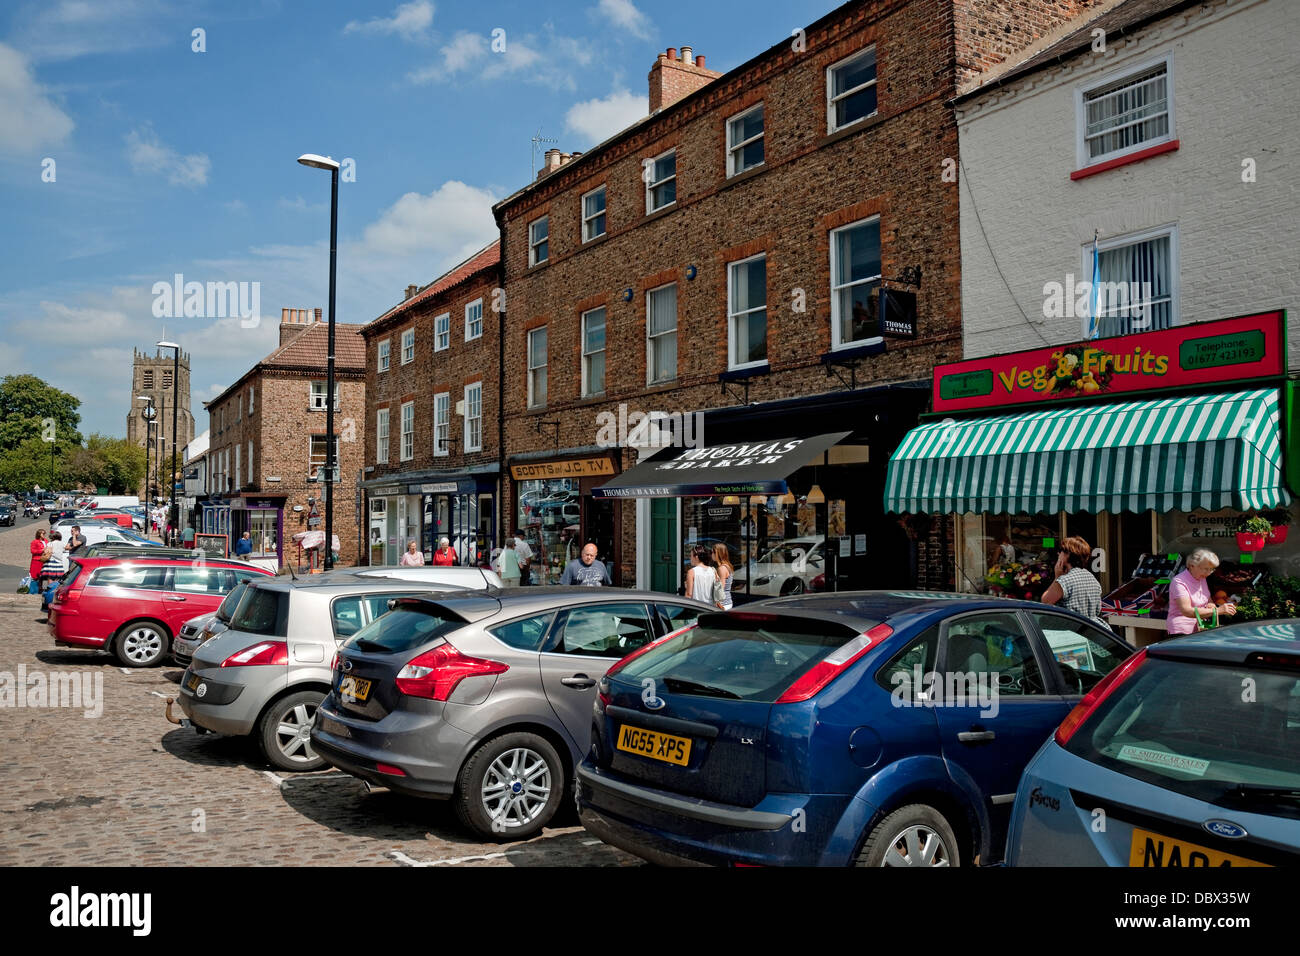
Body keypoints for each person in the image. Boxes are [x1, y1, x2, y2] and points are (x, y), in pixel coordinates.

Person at [1040, 536, 1108, 629]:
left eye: (1061, 551)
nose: (1058, 553)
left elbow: (1045, 601)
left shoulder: (1065, 580)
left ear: (1067, 554)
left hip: (1072, 630)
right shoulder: (1091, 578)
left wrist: (1057, 577)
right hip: (1091, 630)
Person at [1167, 548, 1235, 636]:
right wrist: (1217, 611)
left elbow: (1208, 599)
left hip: (1201, 628)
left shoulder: (1201, 578)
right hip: (1182, 631)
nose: (1209, 573)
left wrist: (1211, 604)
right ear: (1192, 566)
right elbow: (1186, 611)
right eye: (1206, 569)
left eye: (1211, 569)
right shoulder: (1179, 582)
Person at [711, 542, 734, 610]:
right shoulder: (727, 566)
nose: (711, 554)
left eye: (712, 552)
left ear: (718, 553)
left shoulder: (722, 568)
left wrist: (718, 605)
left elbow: (720, 589)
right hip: (727, 602)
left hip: (723, 604)